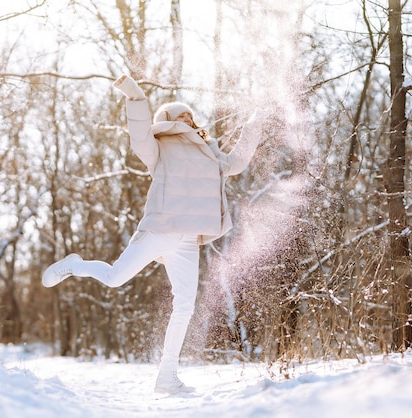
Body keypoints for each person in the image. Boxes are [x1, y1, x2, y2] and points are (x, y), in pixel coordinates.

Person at [42, 74, 263, 394]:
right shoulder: (159, 147)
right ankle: (75, 264)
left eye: (191, 114)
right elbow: (139, 134)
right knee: (116, 277)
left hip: (189, 239)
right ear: (169, 121)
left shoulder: (211, 152)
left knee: (185, 305)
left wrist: (254, 122)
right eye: (181, 115)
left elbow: (239, 162)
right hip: (160, 228)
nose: (189, 118)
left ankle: (167, 376)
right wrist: (134, 95)